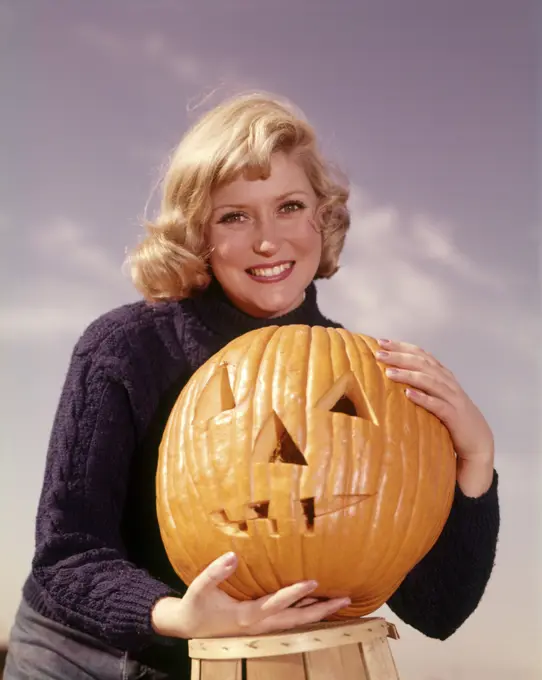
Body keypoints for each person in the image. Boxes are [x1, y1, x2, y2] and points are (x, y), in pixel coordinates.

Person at [5, 93, 500, 680]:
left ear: (324, 215)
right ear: (198, 233)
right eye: (234, 216)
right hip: (72, 655)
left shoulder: (372, 379)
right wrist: (177, 615)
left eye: (289, 206)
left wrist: (475, 460)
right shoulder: (124, 346)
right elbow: (67, 557)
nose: (268, 241)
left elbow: (437, 609)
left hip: (228, 666)